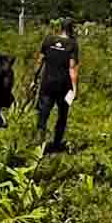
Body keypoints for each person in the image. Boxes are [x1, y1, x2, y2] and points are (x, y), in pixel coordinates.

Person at [35, 17, 80, 154]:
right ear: (71, 28)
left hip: (47, 84)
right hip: (64, 86)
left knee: (43, 114)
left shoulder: (49, 40)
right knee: (62, 115)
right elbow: (72, 68)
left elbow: (39, 61)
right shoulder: (72, 44)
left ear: (61, 27)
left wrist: (34, 78)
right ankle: (56, 144)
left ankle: (39, 147)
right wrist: (75, 88)